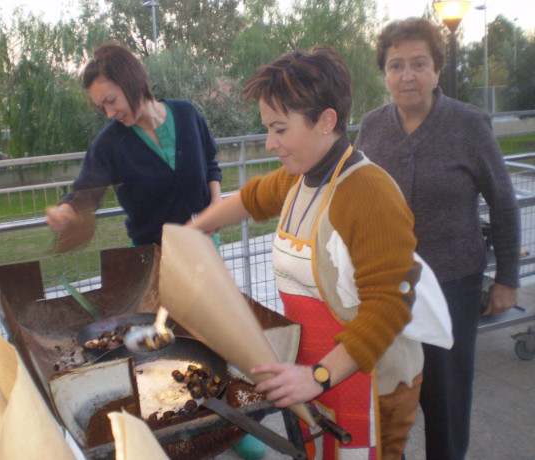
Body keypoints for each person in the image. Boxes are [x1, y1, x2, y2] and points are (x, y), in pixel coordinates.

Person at [188, 45, 424, 460]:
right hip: (315, 375)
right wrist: (196, 228)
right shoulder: (298, 180)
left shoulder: (368, 192)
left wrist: (319, 375)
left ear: (326, 120)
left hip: (367, 380)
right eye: (267, 129)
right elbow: (251, 198)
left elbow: (389, 304)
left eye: (279, 129)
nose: (268, 143)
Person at [354, 17, 521, 460]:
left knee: (445, 396)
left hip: (451, 285)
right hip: (386, 287)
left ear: (436, 70)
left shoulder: (468, 124)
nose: (407, 75)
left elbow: (503, 202)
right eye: (396, 65)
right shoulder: (371, 127)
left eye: (419, 64)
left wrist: (507, 278)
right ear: (384, 73)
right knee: (388, 391)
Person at [46, 41, 222, 248]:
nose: (110, 114)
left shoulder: (187, 114)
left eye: (111, 100)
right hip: (153, 261)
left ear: (133, 82)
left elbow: (210, 164)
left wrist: (216, 206)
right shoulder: (109, 145)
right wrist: (66, 211)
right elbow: (85, 195)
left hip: (205, 249)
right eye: (102, 107)